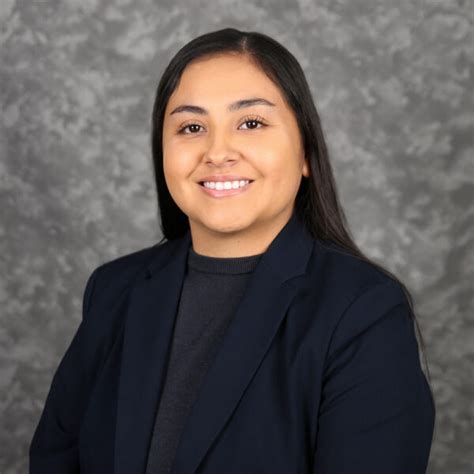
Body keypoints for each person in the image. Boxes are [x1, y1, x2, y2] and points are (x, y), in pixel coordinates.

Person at [29, 28, 436, 473]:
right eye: (192, 127)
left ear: (305, 153)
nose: (218, 152)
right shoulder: (113, 291)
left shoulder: (363, 310)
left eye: (251, 123)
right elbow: (54, 459)